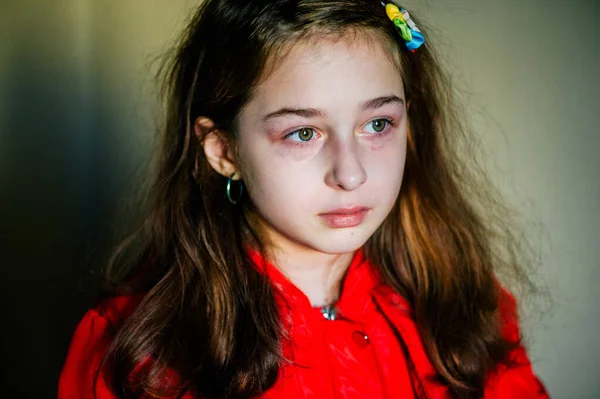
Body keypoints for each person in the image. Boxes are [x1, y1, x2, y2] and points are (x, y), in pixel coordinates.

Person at [58, 0, 550, 398]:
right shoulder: (140, 351)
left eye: (377, 124)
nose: (351, 174)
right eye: (303, 133)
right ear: (223, 150)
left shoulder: (464, 310)